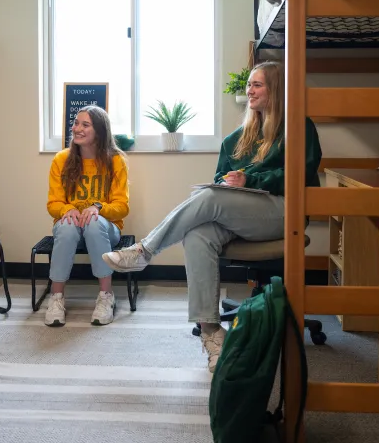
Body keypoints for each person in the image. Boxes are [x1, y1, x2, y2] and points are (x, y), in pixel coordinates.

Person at [103, 61, 322, 372]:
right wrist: (227, 182)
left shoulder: (300, 127)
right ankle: (212, 334)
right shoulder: (235, 139)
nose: (250, 90)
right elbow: (219, 178)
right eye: (249, 84)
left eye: (258, 84)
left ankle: (144, 250)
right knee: (197, 234)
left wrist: (251, 181)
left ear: (276, 90)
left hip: (283, 211)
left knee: (207, 197)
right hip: (243, 215)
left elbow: (301, 172)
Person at [45, 105, 129, 327]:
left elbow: (122, 206)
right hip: (71, 227)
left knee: (92, 222)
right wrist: (67, 210)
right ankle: (56, 298)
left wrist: (98, 208)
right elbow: (53, 204)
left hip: (105, 228)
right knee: (66, 226)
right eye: (75, 123)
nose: (77, 128)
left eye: (85, 125)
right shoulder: (61, 160)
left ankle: (105, 296)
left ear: (99, 131)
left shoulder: (116, 161)